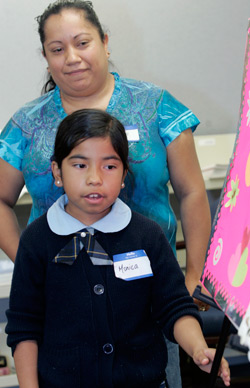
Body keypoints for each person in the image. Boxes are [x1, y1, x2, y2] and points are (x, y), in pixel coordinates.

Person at [0, 1, 211, 386]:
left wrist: (194, 273)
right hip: (64, 311)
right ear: (45, 57)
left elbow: (192, 191)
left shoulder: (155, 107)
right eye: (57, 49)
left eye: (83, 42)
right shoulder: (27, 124)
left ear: (105, 42)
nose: (73, 58)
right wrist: (39, 263)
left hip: (146, 297)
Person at [5, 109, 230, 388]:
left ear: (124, 174)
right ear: (57, 172)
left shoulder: (147, 235)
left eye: (109, 166)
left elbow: (174, 306)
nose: (95, 178)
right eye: (80, 165)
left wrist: (198, 348)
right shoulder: (37, 241)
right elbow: (24, 327)